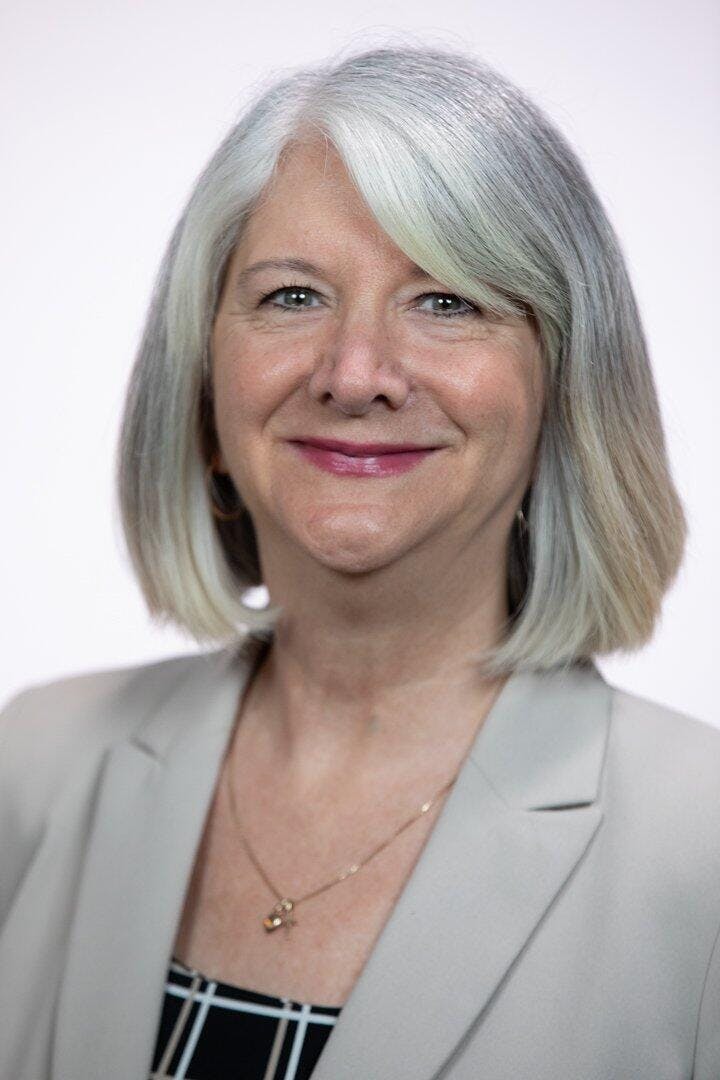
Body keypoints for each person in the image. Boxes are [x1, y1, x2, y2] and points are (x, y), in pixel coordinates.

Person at [1, 43, 718, 1080]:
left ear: (565, 398)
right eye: (293, 296)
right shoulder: (33, 766)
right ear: (202, 387)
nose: (355, 374)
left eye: (447, 301)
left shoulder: (700, 847)